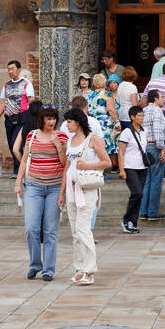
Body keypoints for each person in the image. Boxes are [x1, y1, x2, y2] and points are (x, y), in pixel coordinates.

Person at [14, 106, 66, 280]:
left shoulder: (62, 136)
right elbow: (24, 161)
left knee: (50, 230)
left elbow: (65, 163)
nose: (51, 122)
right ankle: (35, 264)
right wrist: (17, 183)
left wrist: (59, 147)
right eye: (48, 118)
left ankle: (48, 270)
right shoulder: (32, 135)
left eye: (54, 119)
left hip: (55, 187)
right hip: (34, 186)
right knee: (31, 228)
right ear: (42, 119)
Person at [62, 107, 110, 285]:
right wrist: (61, 192)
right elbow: (67, 167)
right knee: (75, 231)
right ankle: (79, 268)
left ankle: (89, 270)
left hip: (87, 187)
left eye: (69, 121)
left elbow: (106, 161)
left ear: (79, 122)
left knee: (83, 228)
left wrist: (87, 166)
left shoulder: (93, 140)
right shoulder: (70, 141)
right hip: (71, 189)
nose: (67, 125)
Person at [0, 60, 36, 176]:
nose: (10, 71)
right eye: (8, 69)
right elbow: (4, 103)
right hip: (9, 119)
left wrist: (31, 118)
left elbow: (31, 102)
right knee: (11, 144)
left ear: (18, 70)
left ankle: (18, 171)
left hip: (22, 118)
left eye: (12, 69)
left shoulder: (26, 84)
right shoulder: (7, 85)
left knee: (17, 144)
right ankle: (20, 169)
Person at [118, 105, 148, 234]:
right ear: (132, 117)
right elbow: (120, 152)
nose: (142, 118)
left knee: (139, 195)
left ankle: (133, 222)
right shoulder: (127, 132)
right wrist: (121, 169)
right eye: (139, 116)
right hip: (130, 167)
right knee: (137, 193)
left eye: (142, 115)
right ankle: (126, 220)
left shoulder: (144, 131)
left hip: (142, 167)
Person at [140, 89, 165, 221]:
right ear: (155, 99)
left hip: (145, 146)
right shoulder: (157, 111)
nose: (163, 99)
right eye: (161, 97)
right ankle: (152, 211)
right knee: (156, 179)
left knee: (147, 179)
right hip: (154, 146)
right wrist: (162, 148)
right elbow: (158, 132)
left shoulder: (144, 111)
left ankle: (143, 210)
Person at [87, 74, 119, 170]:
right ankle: (107, 167)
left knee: (97, 145)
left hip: (93, 122)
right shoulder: (107, 95)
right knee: (107, 144)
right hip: (105, 123)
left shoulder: (90, 95)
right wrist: (117, 121)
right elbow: (110, 109)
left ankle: (99, 168)